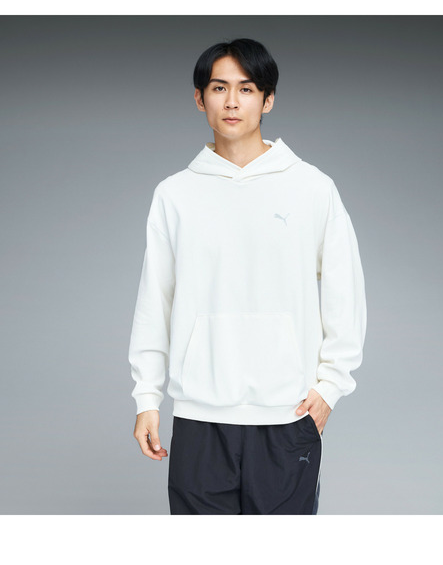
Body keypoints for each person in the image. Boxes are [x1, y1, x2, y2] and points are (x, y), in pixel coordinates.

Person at [128, 37, 367, 515]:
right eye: (219, 88)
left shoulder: (312, 188)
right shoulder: (175, 195)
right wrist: (146, 398)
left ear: (268, 99)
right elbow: (156, 301)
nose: (232, 102)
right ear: (200, 99)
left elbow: (346, 293)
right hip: (199, 417)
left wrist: (330, 387)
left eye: (247, 88)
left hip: (288, 415)